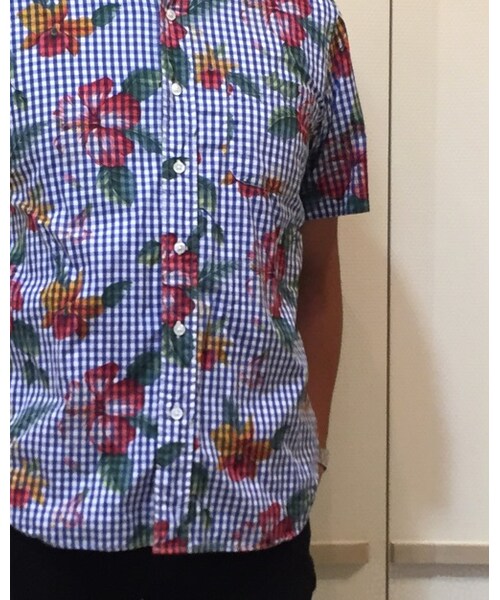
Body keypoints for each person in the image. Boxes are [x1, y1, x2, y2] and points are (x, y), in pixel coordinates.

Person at [9, 0, 370, 597]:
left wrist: (316, 456)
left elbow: (318, 277)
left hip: (256, 530)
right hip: (49, 525)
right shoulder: (18, 23)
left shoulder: (309, 24)